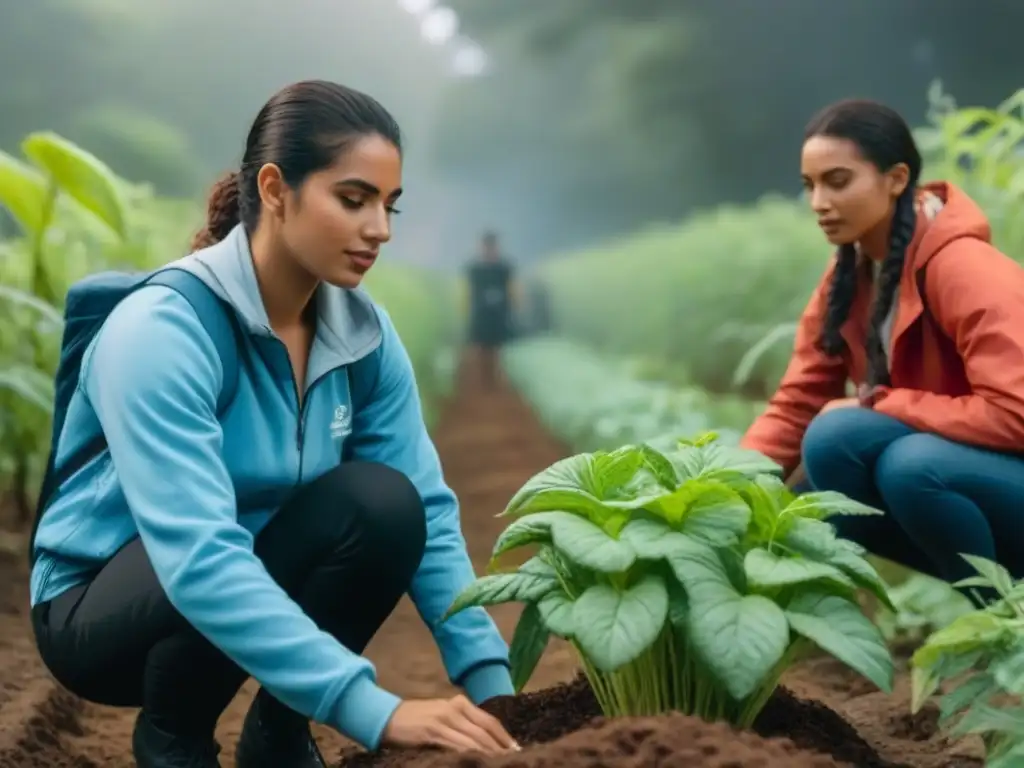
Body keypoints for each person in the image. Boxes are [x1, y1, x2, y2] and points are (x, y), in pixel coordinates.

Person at [28, 80, 519, 768]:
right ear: (276, 189)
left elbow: (430, 517)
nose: (379, 228)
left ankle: (278, 737)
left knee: (385, 505)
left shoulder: (363, 336)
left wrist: (496, 693)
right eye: (353, 199)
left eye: (389, 205)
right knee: (218, 550)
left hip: (232, 559)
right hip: (104, 608)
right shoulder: (165, 330)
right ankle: (174, 735)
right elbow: (197, 555)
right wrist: (372, 709)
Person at [740, 98, 1024, 599]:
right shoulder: (849, 280)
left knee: (909, 465)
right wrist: (719, 496)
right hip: (967, 470)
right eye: (810, 185)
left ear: (896, 179)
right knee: (817, 478)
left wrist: (890, 402)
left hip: (996, 469)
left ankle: (1006, 624)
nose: (819, 202)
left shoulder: (964, 267)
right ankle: (1002, 617)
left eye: (838, 181)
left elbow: (1015, 413)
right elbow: (797, 403)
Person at [465, 231, 515, 388]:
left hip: (498, 314)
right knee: (481, 347)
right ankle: (481, 378)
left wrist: (511, 307)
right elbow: (470, 293)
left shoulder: (504, 269)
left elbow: (511, 291)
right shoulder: (475, 270)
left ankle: (495, 377)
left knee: (496, 347)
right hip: (481, 313)